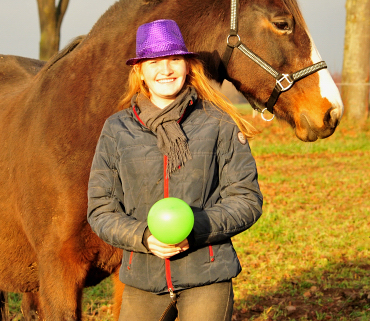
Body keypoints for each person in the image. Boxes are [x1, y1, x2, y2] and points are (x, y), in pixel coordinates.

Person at [87, 19, 263, 321]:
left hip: (207, 275)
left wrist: (194, 229)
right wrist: (143, 236)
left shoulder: (218, 123)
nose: (165, 70)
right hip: (142, 280)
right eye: (154, 61)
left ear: (188, 66)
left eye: (173, 60)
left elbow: (246, 200)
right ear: (140, 72)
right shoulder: (116, 129)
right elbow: (101, 210)